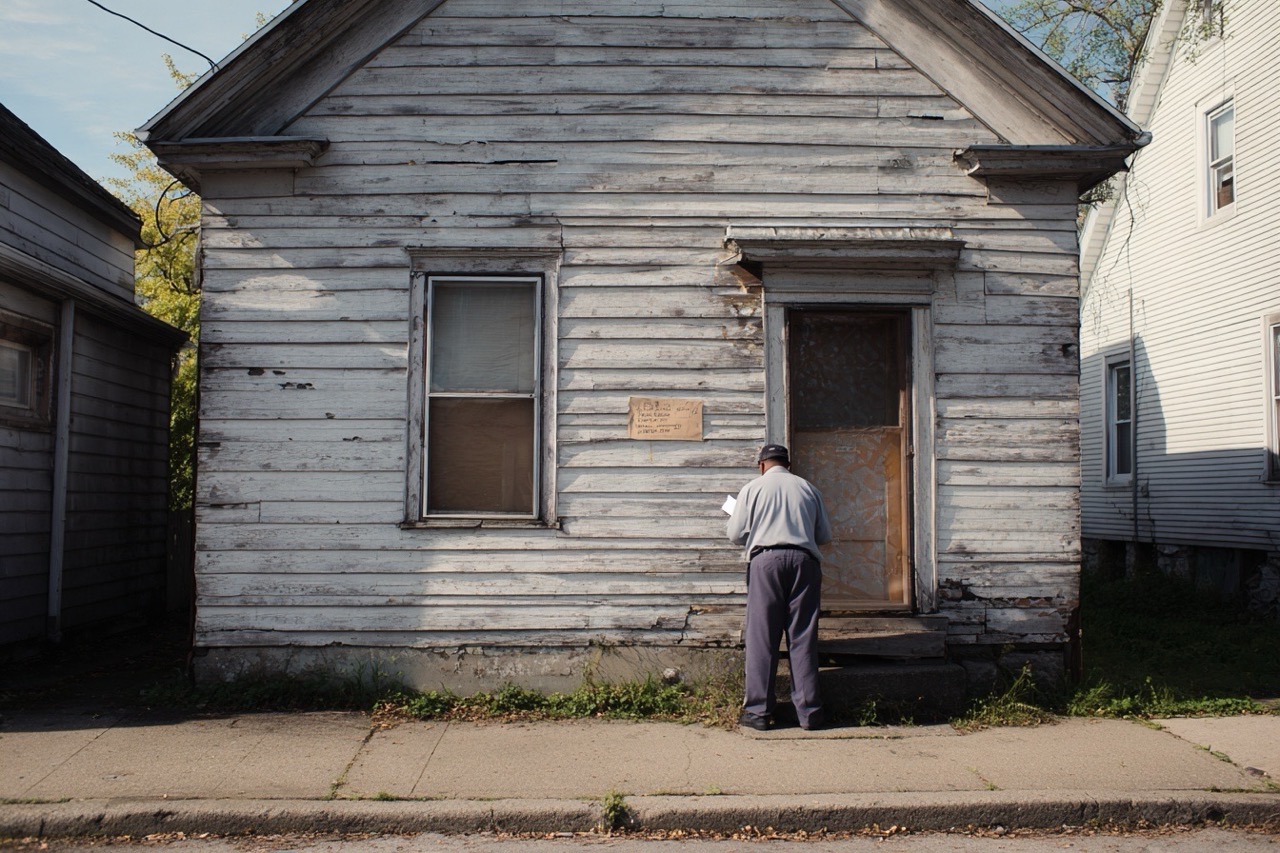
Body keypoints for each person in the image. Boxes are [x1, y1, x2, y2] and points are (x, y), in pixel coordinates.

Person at [726, 443, 833, 731]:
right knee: (802, 636)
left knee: (763, 637)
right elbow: (824, 535)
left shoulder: (753, 489)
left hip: (766, 561)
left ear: (762, 465)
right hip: (804, 562)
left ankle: (758, 712)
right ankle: (810, 713)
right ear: (789, 464)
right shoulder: (809, 489)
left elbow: (734, 535)